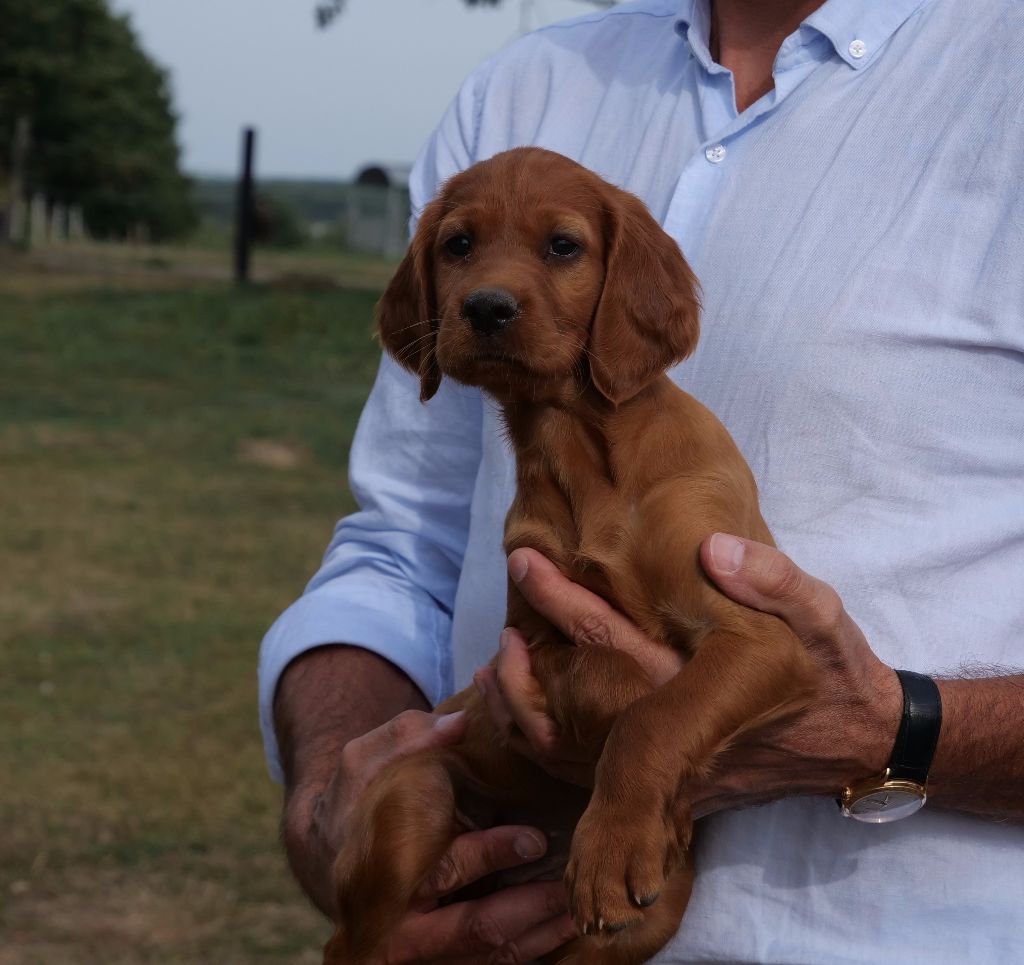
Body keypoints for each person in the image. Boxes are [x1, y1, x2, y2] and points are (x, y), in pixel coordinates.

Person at [259, 0, 1024, 960]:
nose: (490, 285)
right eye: (459, 250)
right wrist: (335, 794)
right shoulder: (522, 87)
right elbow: (403, 548)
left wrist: (899, 732)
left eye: (560, 250)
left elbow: (769, 662)